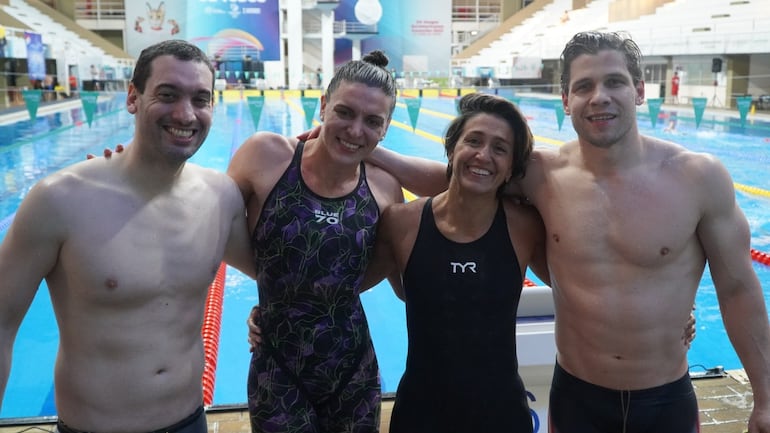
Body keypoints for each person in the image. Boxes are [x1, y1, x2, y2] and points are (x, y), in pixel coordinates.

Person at [364, 31, 770, 433]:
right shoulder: (542, 174)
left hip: (664, 398)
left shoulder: (699, 177)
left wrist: (766, 398)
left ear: (640, 90)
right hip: (578, 397)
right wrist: (367, 148)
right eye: (583, 86)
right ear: (566, 100)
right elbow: (463, 180)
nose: (599, 97)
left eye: (614, 82)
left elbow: (737, 288)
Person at [0, 39, 255, 433]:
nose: (186, 114)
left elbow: (282, 270)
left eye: (201, 99)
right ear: (133, 97)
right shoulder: (59, 201)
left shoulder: (221, 197)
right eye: (167, 95)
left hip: (189, 422)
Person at [227, 51, 404, 432]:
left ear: (386, 128)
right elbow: (211, 226)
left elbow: (391, 276)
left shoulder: (385, 187)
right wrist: (277, 289)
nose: (356, 131)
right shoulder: (267, 156)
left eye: (373, 121)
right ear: (323, 106)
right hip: (278, 367)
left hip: (352, 368)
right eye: (345, 112)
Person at [362, 92, 548, 432]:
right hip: (420, 412)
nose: (483, 155)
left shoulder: (526, 227)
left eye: (500, 148)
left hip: (502, 413)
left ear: (511, 169)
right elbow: (342, 287)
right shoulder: (401, 222)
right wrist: (275, 310)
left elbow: (582, 284)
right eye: (473, 141)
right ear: (451, 149)